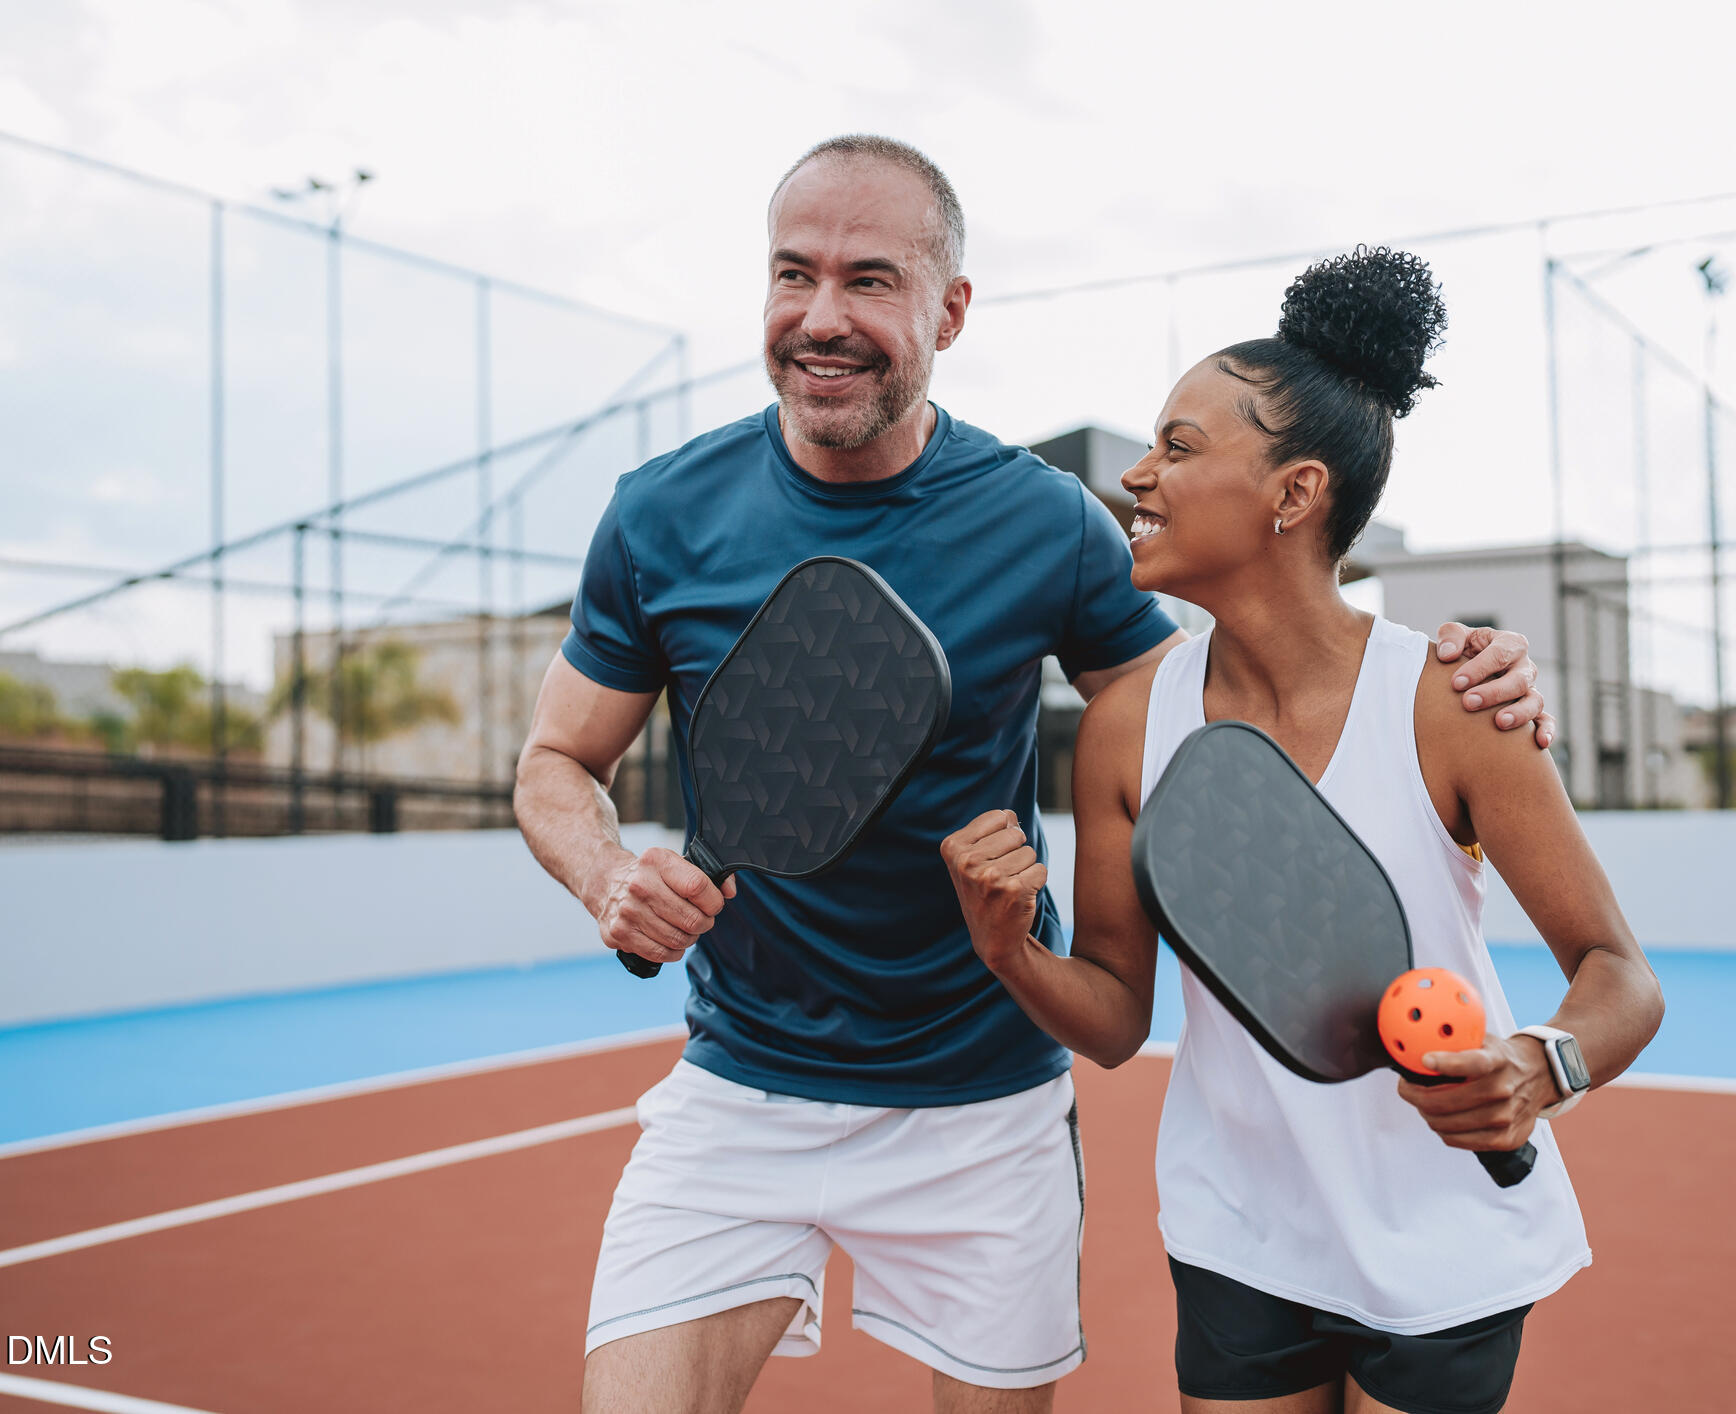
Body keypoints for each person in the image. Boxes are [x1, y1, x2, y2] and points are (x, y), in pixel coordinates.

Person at [517, 136, 1556, 1414]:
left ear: (950, 310)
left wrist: (1453, 673)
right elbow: (558, 761)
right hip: (738, 1087)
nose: (822, 316)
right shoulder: (658, 511)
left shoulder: (1044, 520)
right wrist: (605, 869)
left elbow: (1220, 700)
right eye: (794, 275)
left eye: (870, 280)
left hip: (982, 1102)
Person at [941, 247, 1664, 1414]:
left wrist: (1542, 1066)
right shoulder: (1126, 725)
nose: (1136, 475)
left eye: (1179, 447)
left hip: (1446, 1242)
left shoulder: (1451, 701)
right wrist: (1010, 949)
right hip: (1242, 1235)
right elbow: (1119, 1018)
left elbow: (1618, 973)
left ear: (1294, 493)